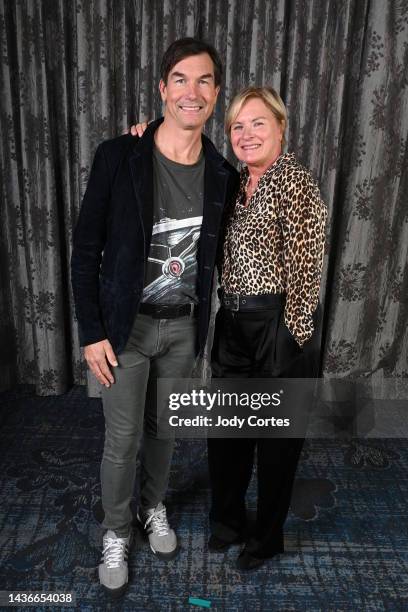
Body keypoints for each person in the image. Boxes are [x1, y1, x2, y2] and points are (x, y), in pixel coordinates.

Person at [71, 38, 239, 597]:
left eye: (205, 81)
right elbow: (86, 246)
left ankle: (152, 507)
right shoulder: (119, 155)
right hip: (127, 327)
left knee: (165, 431)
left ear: (216, 94)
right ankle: (116, 531)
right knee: (121, 439)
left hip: (184, 327)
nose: (193, 91)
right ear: (163, 88)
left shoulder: (222, 173)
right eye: (181, 80)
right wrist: (91, 331)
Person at [207, 86, 327, 570]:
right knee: (227, 435)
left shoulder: (296, 182)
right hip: (231, 322)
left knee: (275, 446)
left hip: (277, 323)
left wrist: (292, 338)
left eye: (258, 123)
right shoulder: (234, 183)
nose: (246, 134)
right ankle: (228, 522)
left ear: (280, 126)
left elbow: (307, 271)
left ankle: (267, 538)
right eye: (237, 125)